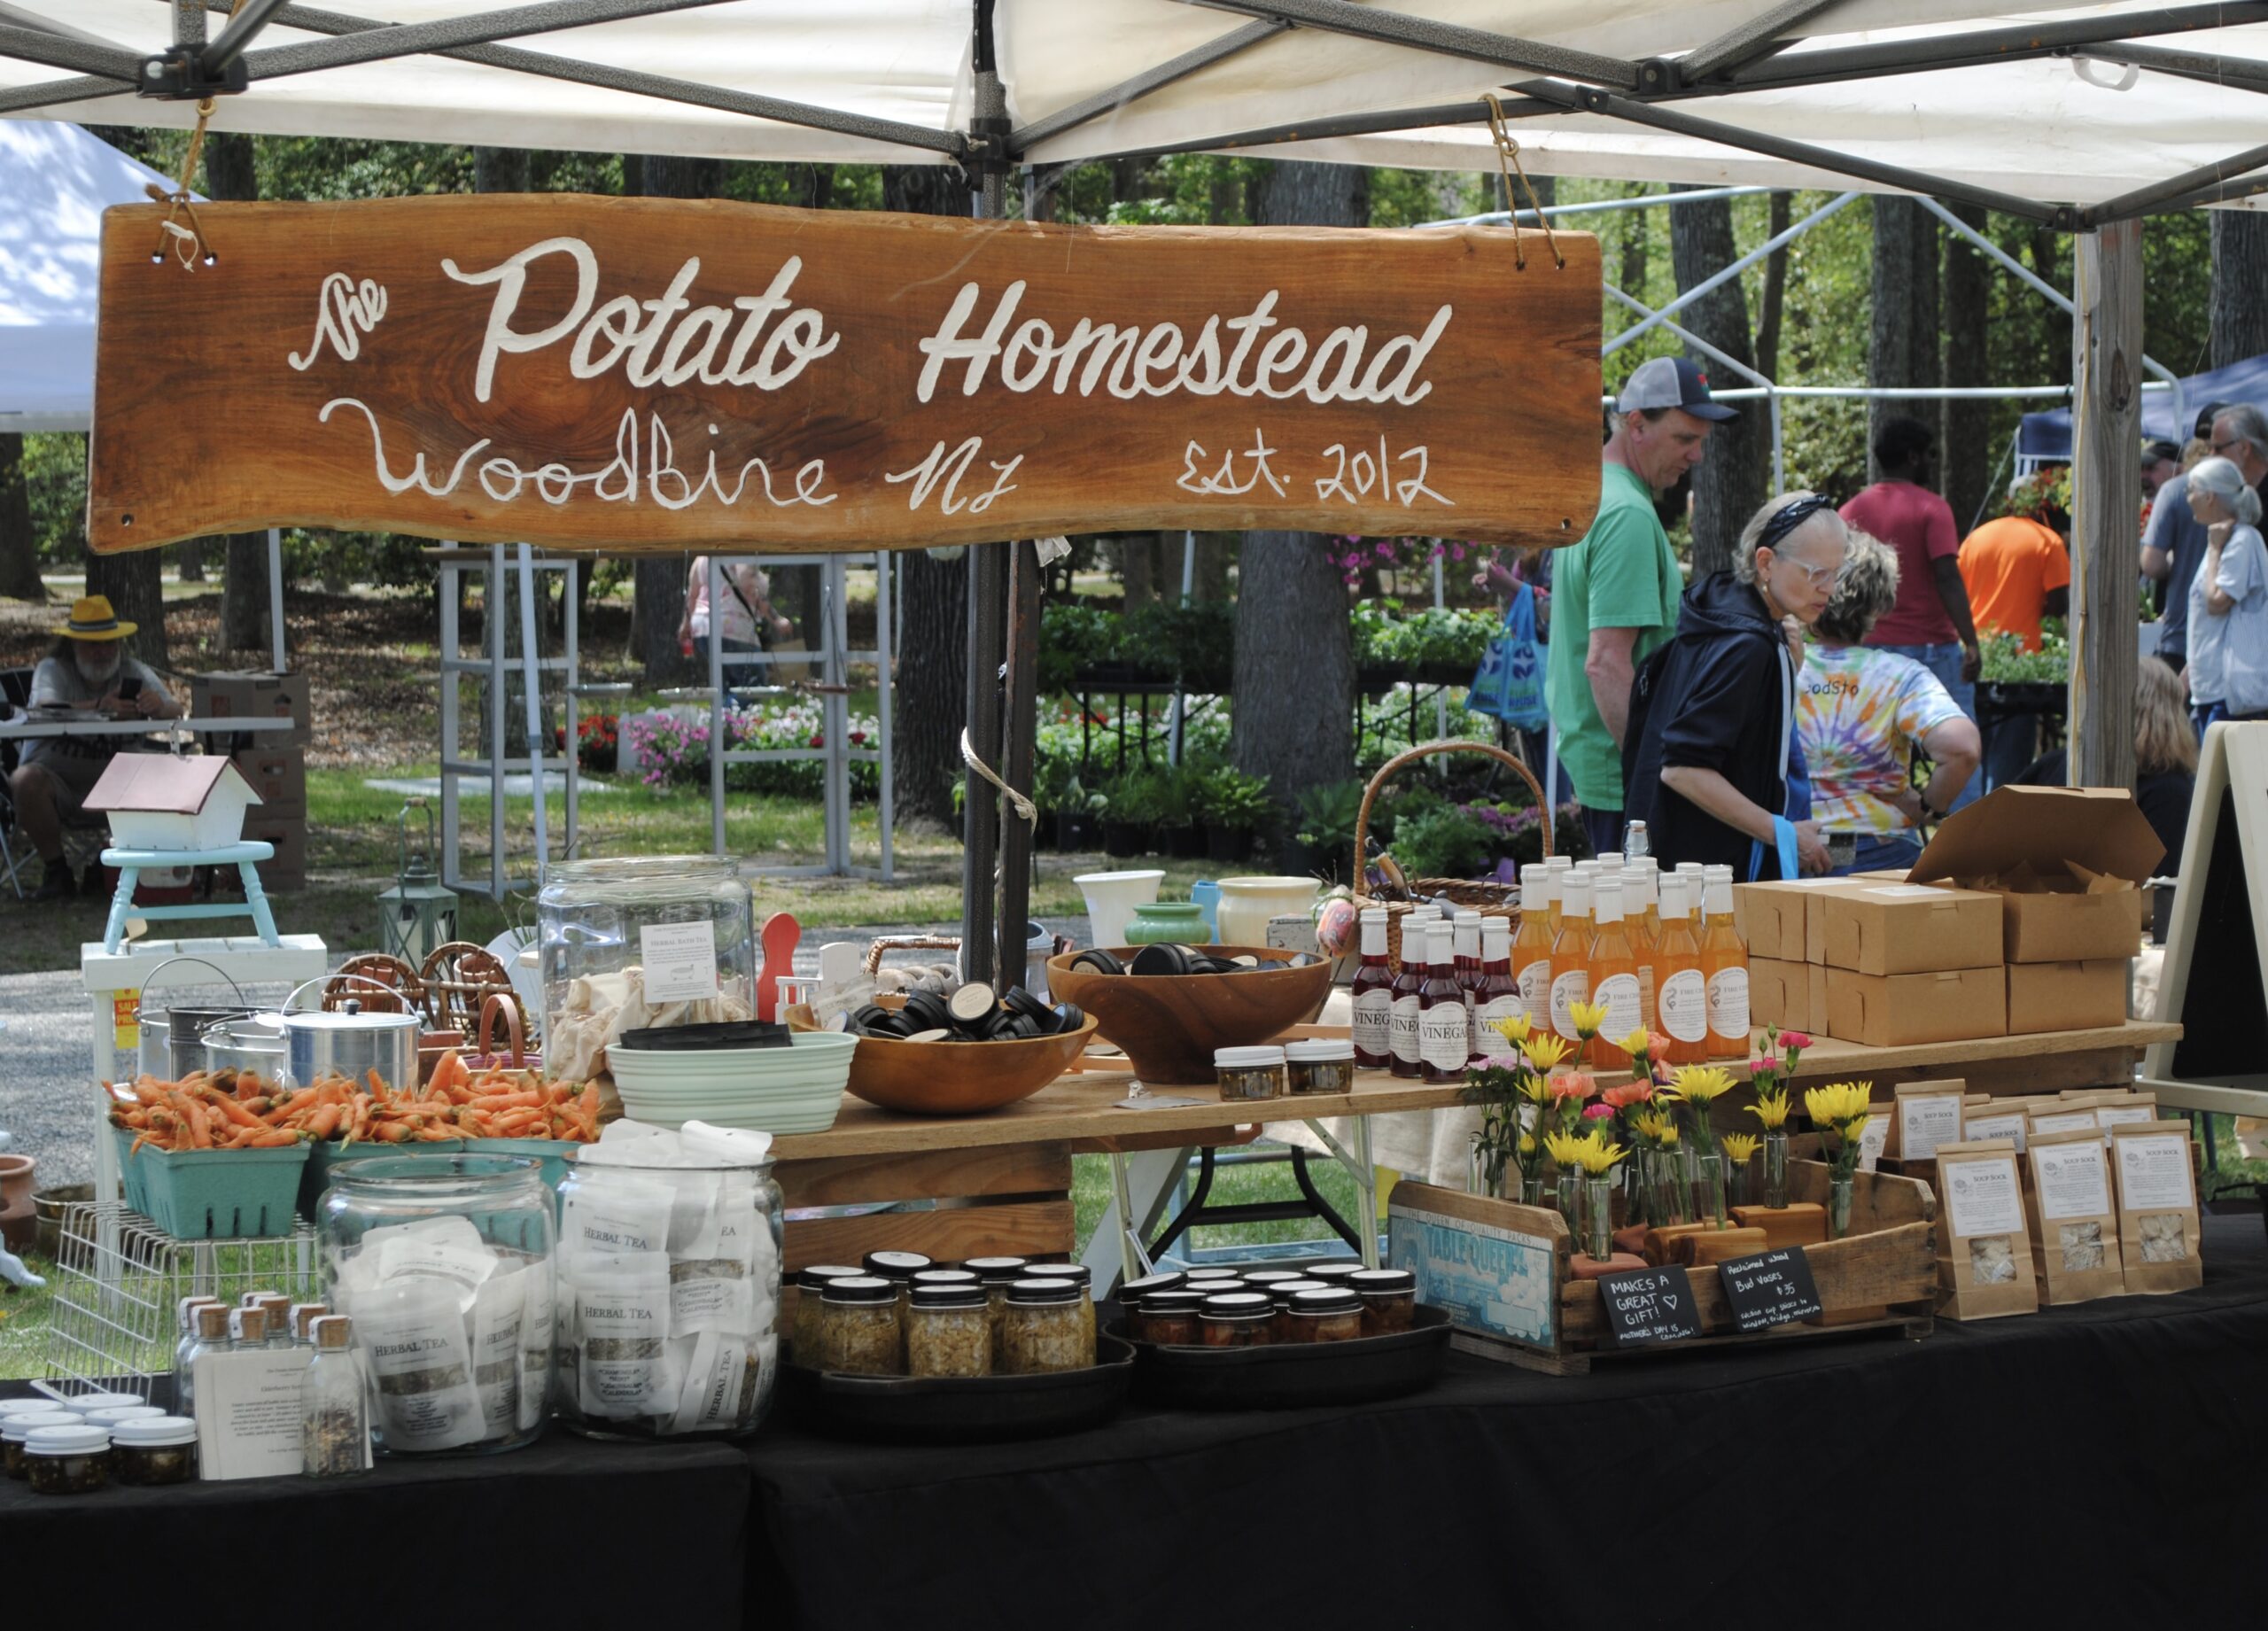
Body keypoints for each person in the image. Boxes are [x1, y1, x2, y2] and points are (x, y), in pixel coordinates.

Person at [1544, 355, 1733, 857]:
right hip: (1626, 777)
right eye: (1684, 439)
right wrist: (1657, 773)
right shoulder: (1626, 513)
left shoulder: (1597, 495)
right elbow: (1606, 664)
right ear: (1636, 425)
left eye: (1701, 441)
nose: (1696, 456)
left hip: (1608, 767)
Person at [1622, 491, 1852, 880]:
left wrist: (1785, 671)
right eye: (1816, 574)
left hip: (1678, 862)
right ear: (1766, 563)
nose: (1829, 588)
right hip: (1710, 880)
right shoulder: (1748, 645)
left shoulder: (1724, 614)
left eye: (1837, 572)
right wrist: (1784, 835)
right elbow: (1682, 768)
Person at [1796, 532, 1981, 874]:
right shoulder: (1899, 676)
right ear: (1879, 602)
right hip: (1879, 851)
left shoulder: (1783, 666)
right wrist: (1927, 807)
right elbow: (1962, 749)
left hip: (1795, 848)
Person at [1839, 417, 1983, 810]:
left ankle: (1881, 826)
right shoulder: (1932, 508)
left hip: (1871, 652)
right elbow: (1946, 576)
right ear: (1913, 456)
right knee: (1960, 747)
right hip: (1932, 650)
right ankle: (1968, 839)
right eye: (1929, 455)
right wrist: (1970, 642)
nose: (1931, 464)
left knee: (1875, 748)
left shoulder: (1850, 510)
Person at [7, 596, 181, 900]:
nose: (102, 652)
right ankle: (56, 871)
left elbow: (174, 707)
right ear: (73, 645)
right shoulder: (53, 670)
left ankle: (112, 866)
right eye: (93, 645)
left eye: (109, 643)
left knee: (170, 771)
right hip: (58, 786)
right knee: (24, 781)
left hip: (120, 790)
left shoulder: (130, 669)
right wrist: (101, 708)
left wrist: (158, 706)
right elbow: (45, 708)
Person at [2018, 659, 2195, 879]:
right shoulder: (2170, 792)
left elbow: (1997, 827)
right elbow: (2158, 887)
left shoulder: (2056, 764)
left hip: (2024, 902)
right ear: (2171, 714)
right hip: (2111, 908)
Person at [1959, 493, 2071, 790]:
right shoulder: (2047, 541)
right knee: (2010, 757)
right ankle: (2000, 820)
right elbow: (2059, 604)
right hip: (2022, 666)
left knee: (1975, 747)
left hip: (1975, 657)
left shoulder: (1976, 538)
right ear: (2041, 509)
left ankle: (1973, 818)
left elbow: (1959, 594)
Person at [2142, 402, 2230, 671]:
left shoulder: (2175, 490)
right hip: (2233, 637)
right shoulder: (2244, 490)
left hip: (2183, 633)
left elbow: (2151, 564)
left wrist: (2176, 563)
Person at [2182, 455, 2268, 728]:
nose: (2187, 498)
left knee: (2222, 771)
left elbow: (2216, 602)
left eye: (2191, 490)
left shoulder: (2240, 540)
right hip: (2211, 686)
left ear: (2209, 497)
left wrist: (2214, 549)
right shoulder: (2224, 538)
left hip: (2230, 692)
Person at [678, 557, 794, 686]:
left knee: (724, 683)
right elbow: (751, 586)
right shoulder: (737, 554)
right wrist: (777, 619)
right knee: (755, 683)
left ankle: (724, 705)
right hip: (732, 628)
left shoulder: (701, 560)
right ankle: (732, 705)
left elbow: (692, 596)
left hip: (702, 629)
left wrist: (686, 625)